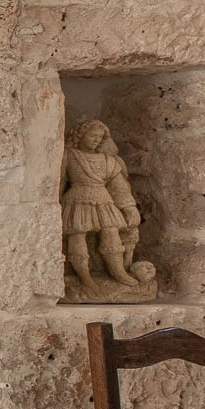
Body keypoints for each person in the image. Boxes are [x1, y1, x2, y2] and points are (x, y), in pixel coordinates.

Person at [63, 119, 150, 294]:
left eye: (99, 137)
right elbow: (58, 182)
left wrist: (129, 207)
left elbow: (119, 187)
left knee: (111, 231)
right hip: (78, 199)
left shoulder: (107, 160)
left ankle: (117, 271)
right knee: (77, 235)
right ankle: (84, 277)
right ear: (81, 135)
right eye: (92, 135)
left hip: (103, 199)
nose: (95, 140)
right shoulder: (70, 155)